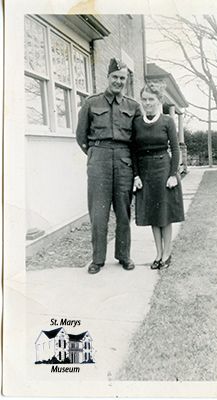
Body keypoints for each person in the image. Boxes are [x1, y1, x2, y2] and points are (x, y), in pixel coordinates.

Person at [76, 58, 142, 274]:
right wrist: (96, 154)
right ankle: (97, 259)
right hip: (99, 160)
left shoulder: (133, 106)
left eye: (122, 78)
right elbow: (81, 136)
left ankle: (124, 255)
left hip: (124, 160)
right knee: (98, 212)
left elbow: (137, 140)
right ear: (108, 78)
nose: (118, 81)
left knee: (123, 211)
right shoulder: (91, 103)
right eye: (115, 77)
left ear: (126, 80)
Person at [133, 84, 185, 270]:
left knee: (164, 214)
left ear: (159, 101)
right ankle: (158, 253)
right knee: (153, 215)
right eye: (144, 99)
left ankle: (167, 253)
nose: (147, 103)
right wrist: (136, 176)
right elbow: (134, 151)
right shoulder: (137, 122)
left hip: (163, 169)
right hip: (145, 172)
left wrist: (173, 174)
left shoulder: (167, 121)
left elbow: (176, 148)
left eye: (151, 99)